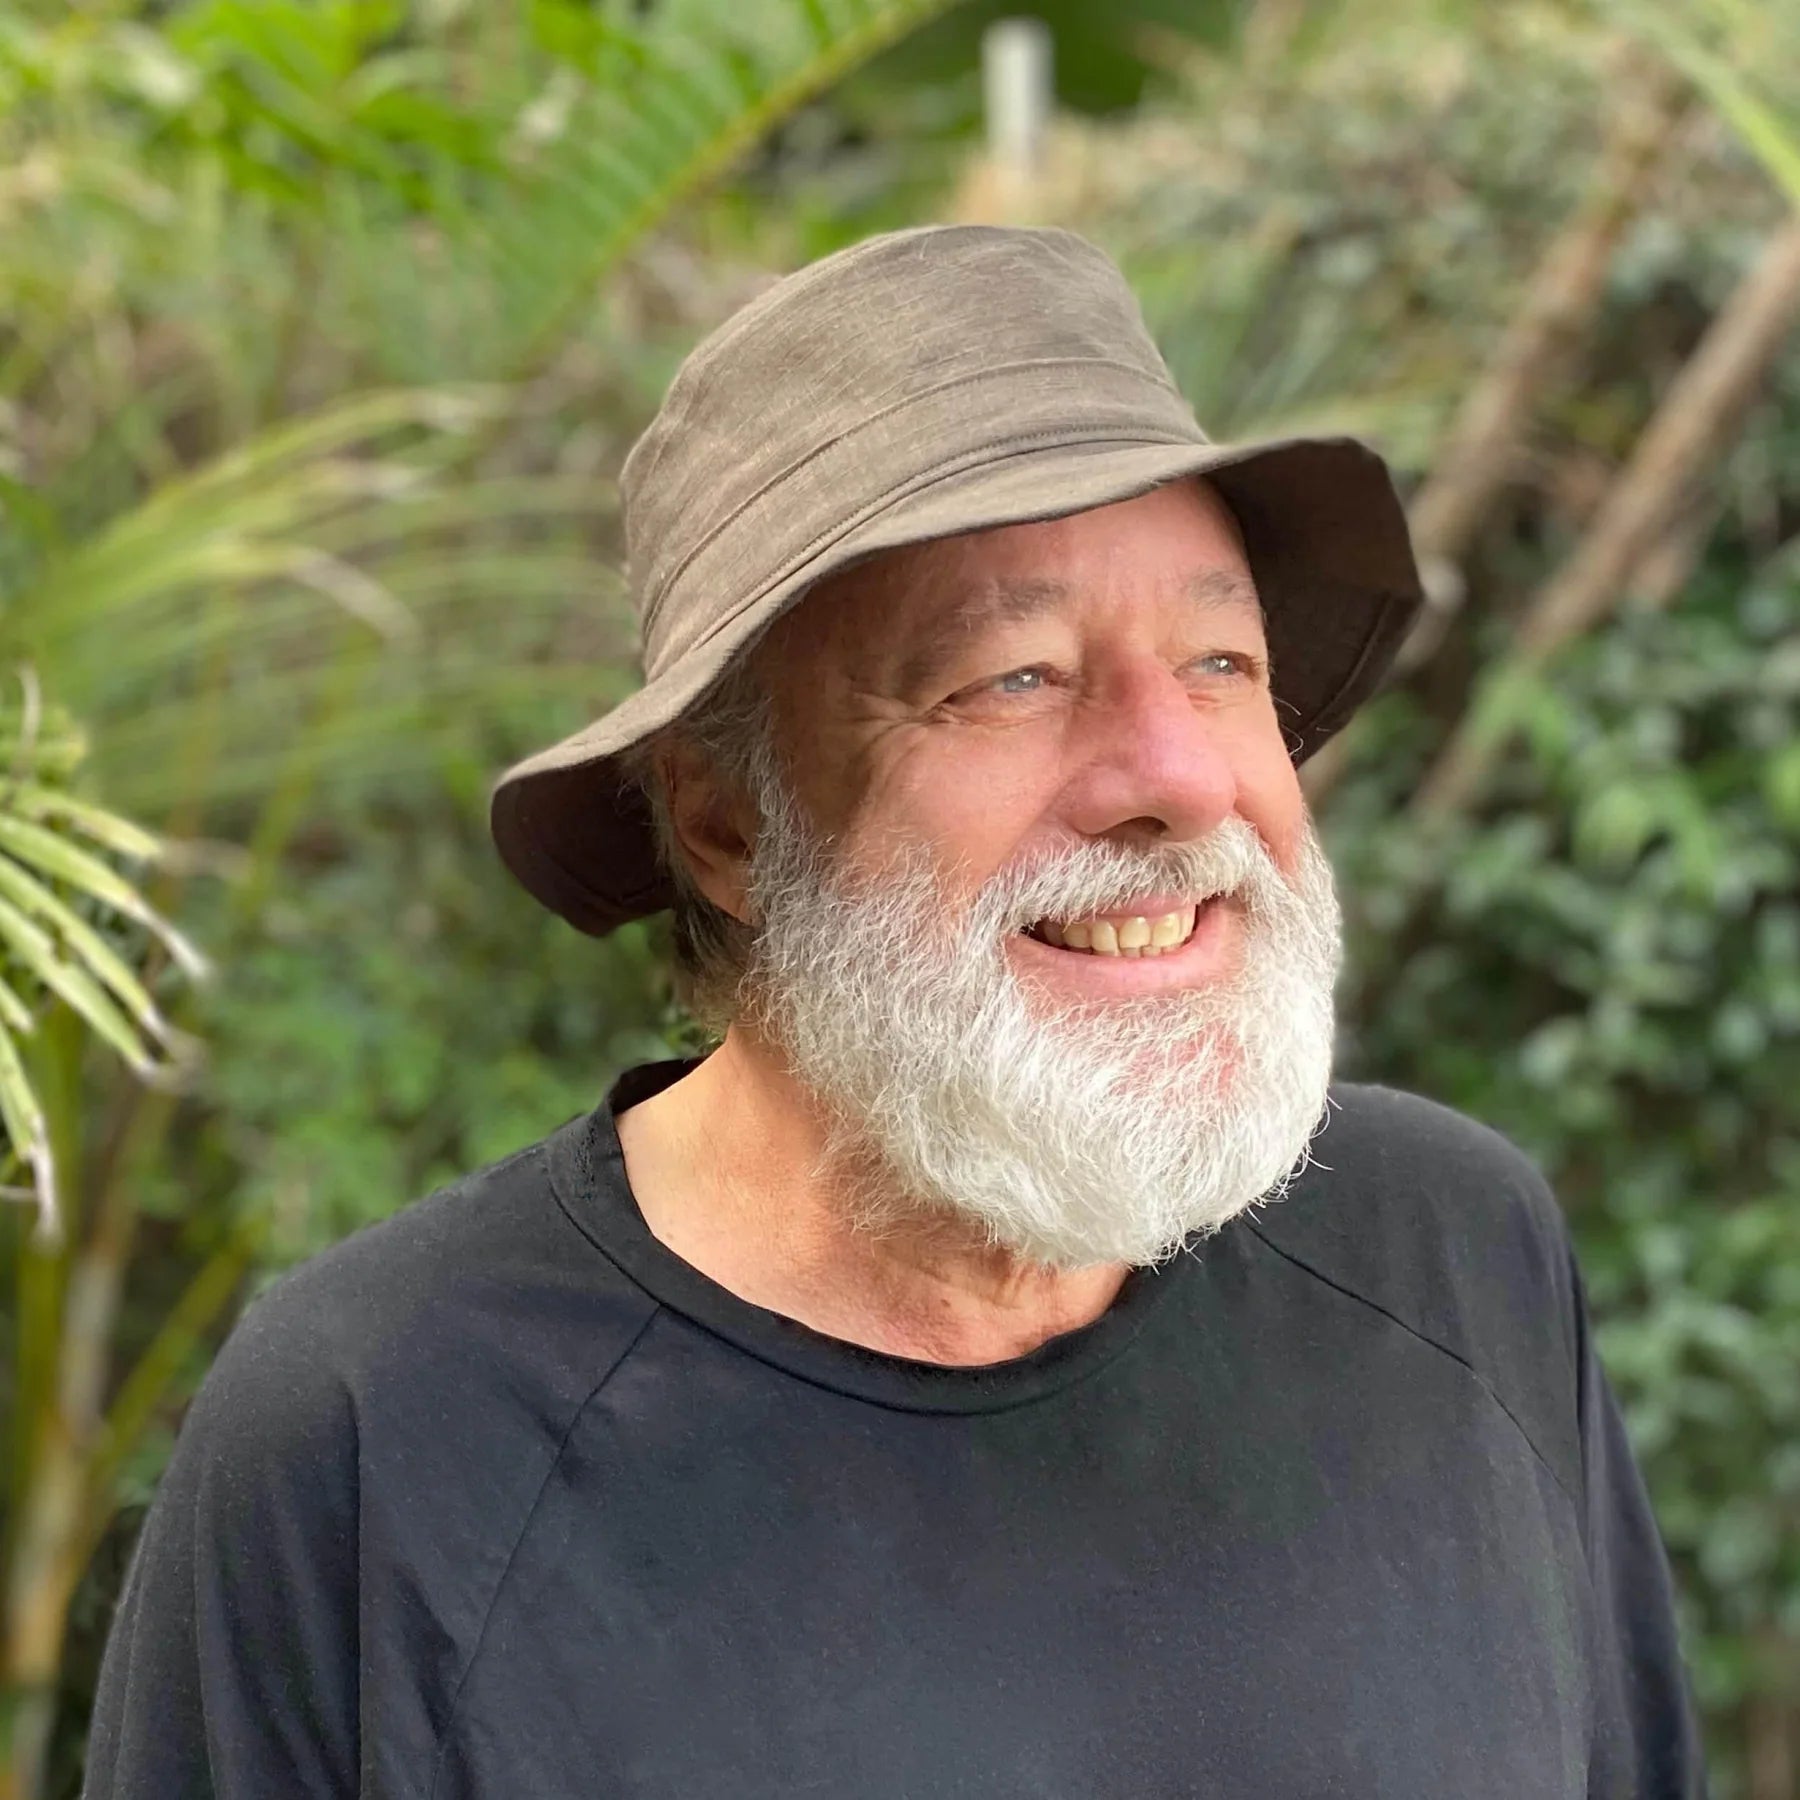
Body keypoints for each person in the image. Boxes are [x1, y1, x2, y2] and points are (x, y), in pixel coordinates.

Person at [83, 225, 1706, 1798]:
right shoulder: (382, 1438)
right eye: (1013, 678)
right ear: (727, 824)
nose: (1179, 776)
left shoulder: (1451, 1257)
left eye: (1222, 661)